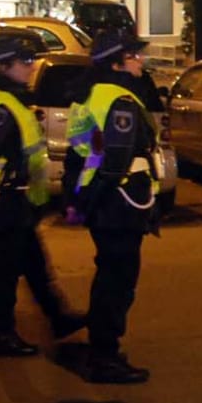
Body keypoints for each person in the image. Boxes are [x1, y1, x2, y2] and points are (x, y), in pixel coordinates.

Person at [0, 34, 87, 357]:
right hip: (4, 199)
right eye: (25, 61)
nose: (32, 67)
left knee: (33, 262)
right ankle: (0, 336)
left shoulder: (12, 100)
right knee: (6, 268)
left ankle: (57, 317)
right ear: (3, 67)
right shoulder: (0, 107)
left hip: (19, 198)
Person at [66, 26, 161, 384]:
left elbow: (81, 156)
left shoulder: (90, 95)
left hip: (101, 200)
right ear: (120, 61)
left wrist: (77, 200)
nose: (142, 61)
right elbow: (117, 159)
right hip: (118, 201)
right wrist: (93, 199)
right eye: (136, 55)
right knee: (117, 283)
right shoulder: (119, 99)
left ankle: (101, 348)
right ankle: (105, 356)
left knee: (108, 276)